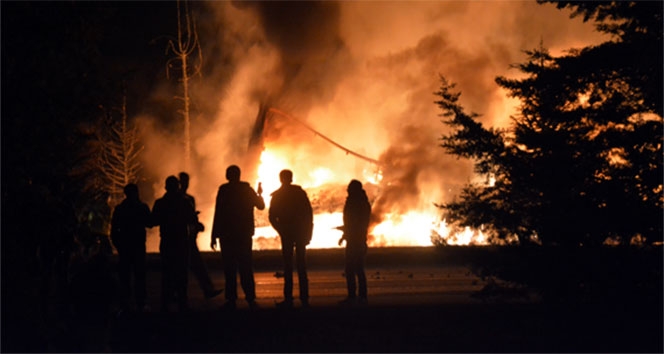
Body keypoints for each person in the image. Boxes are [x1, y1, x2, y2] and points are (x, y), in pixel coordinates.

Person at [210, 165, 265, 310]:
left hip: (227, 235)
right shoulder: (246, 190)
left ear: (228, 176)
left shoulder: (224, 190)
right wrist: (259, 194)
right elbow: (261, 206)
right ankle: (250, 297)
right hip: (243, 234)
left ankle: (231, 299)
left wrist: (214, 235)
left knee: (229, 268)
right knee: (245, 266)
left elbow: (218, 213)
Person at [151, 176, 197, 312]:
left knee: (167, 273)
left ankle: (165, 303)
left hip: (167, 242)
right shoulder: (184, 202)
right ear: (177, 187)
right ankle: (182, 303)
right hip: (181, 242)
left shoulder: (160, 203)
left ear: (166, 187)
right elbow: (192, 219)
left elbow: (153, 221)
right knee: (182, 273)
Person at [269, 169, 313, 308]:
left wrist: (281, 230)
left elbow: (272, 216)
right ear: (291, 178)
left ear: (281, 179)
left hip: (287, 233)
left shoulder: (278, 195)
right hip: (299, 232)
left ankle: (288, 299)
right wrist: (308, 232)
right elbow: (308, 214)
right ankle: (304, 298)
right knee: (301, 265)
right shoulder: (300, 193)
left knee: (288, 266)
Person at [179, 172, 223, 299]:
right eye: (183, 181)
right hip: (179, 239)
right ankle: (177, 297)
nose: (185, 184)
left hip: (190, 238)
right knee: (183, 268)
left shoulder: (189, 199)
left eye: (186, 181)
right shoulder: (177, 199)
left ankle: (207, 290)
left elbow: (191, 217)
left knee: (198, 266)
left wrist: (197, 225)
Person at [110, 183, 151, 311]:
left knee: (125, 277)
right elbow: (150, 223)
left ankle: (125, 303)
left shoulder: (120, 209)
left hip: (126, 247)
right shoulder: (141, 207)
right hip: (137, 246)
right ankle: (140, 302)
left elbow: (114, 230)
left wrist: (118, 245)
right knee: (139, 276)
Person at [338, 180, 371, 306]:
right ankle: (359, 296)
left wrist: (346, 232)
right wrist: (344, 234)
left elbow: (355, 223)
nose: (347, 190)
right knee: (355, 268)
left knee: (353, 268)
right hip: (355, 238)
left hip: (356, 239)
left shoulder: (357, 203)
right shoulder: (359, 202)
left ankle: (356, 296)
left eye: (349, 188)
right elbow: (351, 222)